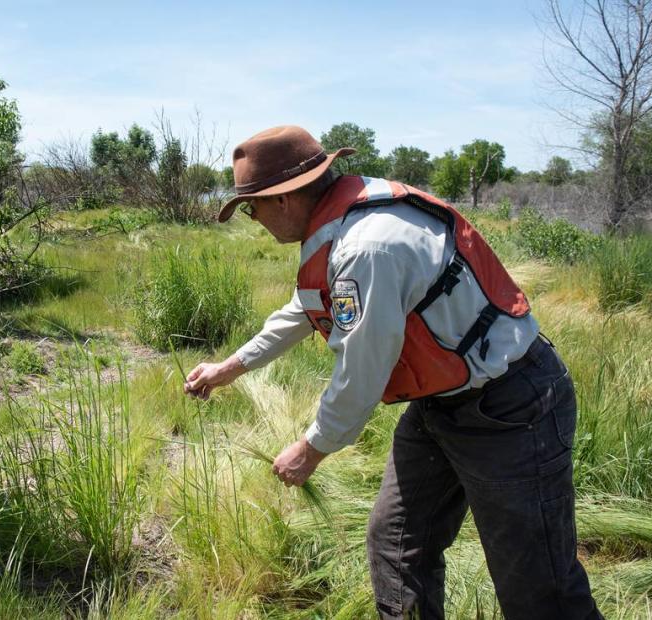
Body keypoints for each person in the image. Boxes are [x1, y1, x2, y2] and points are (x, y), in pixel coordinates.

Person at [183, 126, 601, 619]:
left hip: (512, 407)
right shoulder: (339, 227)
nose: (255, 221)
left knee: (538, 589)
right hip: (442, 405)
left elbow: (362, 371)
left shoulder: (366, 248)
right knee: (398, 546)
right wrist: (229, 368)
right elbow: (304, 307)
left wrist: (311, 448)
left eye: (252, 208)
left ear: (284, 199)